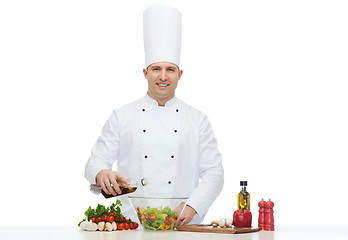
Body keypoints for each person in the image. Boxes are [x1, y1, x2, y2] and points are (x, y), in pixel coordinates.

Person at [84, 5, 224, 226]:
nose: (163, 77)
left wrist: (193, 205)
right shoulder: (122, 116)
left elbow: (214, 172)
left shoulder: (198, 120)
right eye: (156, 69)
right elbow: (95, 161)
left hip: (181, 224)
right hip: (131, 225)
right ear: (145, 73)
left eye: (170, 70)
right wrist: (101, 172)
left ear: (180, 74)